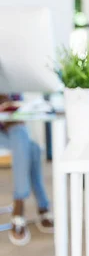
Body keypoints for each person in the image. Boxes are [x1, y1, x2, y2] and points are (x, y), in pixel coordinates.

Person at [0, 94, 54, 246]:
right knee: (29, 146)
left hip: (13, 132)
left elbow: (18, 109)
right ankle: (40, 206)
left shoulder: (12, 78)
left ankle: (20, 206)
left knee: (31, 146)